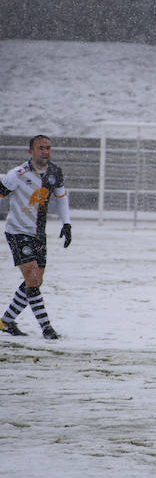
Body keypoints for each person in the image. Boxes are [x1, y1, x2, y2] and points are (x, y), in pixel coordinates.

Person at [0, 135, 71, 339]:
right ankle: (47, 328)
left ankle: (6, 321)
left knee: (36, 281)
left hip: (39, 233)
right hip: (18, 231)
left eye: (48, 148)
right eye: (41, 148)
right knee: (32, 277)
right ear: (30, 151)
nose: (45, 151)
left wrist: (67, 224)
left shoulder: (55, 172)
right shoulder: (17, 174)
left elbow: (61, 197)